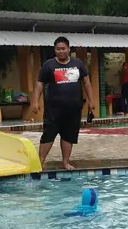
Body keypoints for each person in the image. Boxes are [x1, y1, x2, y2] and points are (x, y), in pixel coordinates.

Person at [32, 36, 96, 170]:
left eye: (63, 49)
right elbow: (39, 84)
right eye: (58, 49)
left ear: (69, 49)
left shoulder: (78, 63)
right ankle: (40, 163)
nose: (61, 51)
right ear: (54, 50)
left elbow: (87, 83)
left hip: (73, 109)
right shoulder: (48, 65)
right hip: (53, 109)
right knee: (48, 135)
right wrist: (35, 102)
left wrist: (91, 100)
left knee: (69, 136)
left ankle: (66, 162)